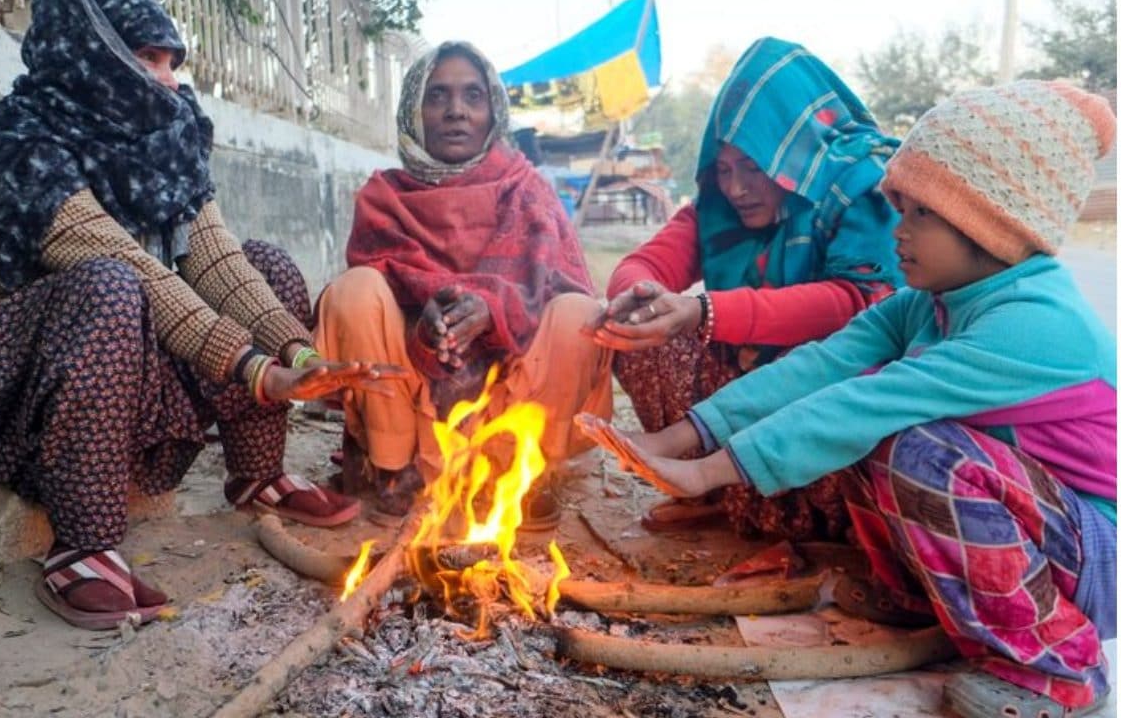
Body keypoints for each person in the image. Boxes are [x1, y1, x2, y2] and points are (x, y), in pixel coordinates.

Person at [579, 80, 1117, 717]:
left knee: (918, 448)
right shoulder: (929, 302)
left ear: (988, 222)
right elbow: (821, 366)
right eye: (898, 207)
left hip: (1094, 555)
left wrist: (706, 474)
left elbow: (864, 403)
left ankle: (1058, 667)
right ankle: (920, 598)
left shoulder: (1032, 323)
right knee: (877, 434)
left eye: (920, 213)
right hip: (1037, 537)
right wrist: (674, 440)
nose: (897, 231)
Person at [0, 0, 397, 630]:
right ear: (91, 50)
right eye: (150, 58)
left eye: (173, 62)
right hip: (3, 401)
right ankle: (81, 545)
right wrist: (255, 370)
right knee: (110, 288)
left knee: (265, 263)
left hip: (109, 366)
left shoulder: (160, 137)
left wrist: (302, 357)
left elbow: (218, 261)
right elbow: (137, 272)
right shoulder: (15, 147)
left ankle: (258, 475)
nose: (170, 82)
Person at [593, 37, 901, 539]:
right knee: (636, 335)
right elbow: (643, 265)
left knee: (807, 367)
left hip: (827, 385)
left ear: (794, 154)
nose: (736, 188)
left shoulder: (862, 187)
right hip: (742, 387)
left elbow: (855, 303)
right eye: (724, 169)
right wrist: (642, 299)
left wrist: (705, 312)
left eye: (755, 167)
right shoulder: (717, 207)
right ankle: (716, 494)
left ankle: (808, 519)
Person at [313, 40, 613, 526]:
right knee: (354, 290)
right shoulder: (384, 197)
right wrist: (425, 320)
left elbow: (559, 287)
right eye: (437, 96)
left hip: (511, 395)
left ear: (494, 110)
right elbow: (381, 294)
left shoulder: (529, 191)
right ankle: (394, 469)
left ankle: (526, 471)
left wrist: (494, 311)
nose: (456, 111)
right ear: (414, 111)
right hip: (415, 398)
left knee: (581, 314)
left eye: (473, 96)